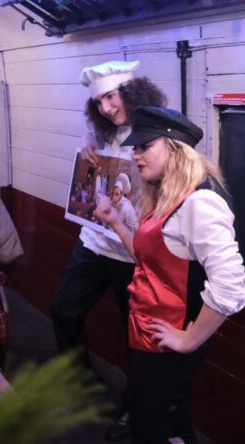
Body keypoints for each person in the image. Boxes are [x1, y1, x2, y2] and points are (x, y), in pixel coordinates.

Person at [96, 106, 245, 443]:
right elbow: (152, 262)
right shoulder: (170, 194)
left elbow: (232, 287)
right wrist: (117, 223)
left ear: (174, 147)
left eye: (143, 146)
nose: (135, 155)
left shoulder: (199, 202)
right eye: (134, 147)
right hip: (150, 332)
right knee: (169, 418)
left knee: (150, 427)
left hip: (168, 342)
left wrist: (189, 339)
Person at [50, 59, 167, 442]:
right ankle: (80, 385)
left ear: (131, 92)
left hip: (133, 251)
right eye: (99, 101)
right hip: (95, 241)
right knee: (63, 309)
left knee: (135, 335)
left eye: (111, 97)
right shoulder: (102, 129)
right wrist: (86, 151)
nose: (106, 108)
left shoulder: (157, 131)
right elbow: (92, 159)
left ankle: (136, 410)